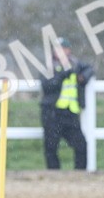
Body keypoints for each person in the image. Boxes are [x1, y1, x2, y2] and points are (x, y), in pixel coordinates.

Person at [39, 37, 95, 170]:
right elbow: (47, 86)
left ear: (68, 50)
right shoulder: (49, 66)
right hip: (52, 113)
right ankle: (54, 175)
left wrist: (83, 77)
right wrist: (62, 75)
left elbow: (90, 68)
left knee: (81, 145)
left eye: (62, 49)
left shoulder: (75, 64)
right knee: (51, 147)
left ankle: (79, 175)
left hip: (71, 113)